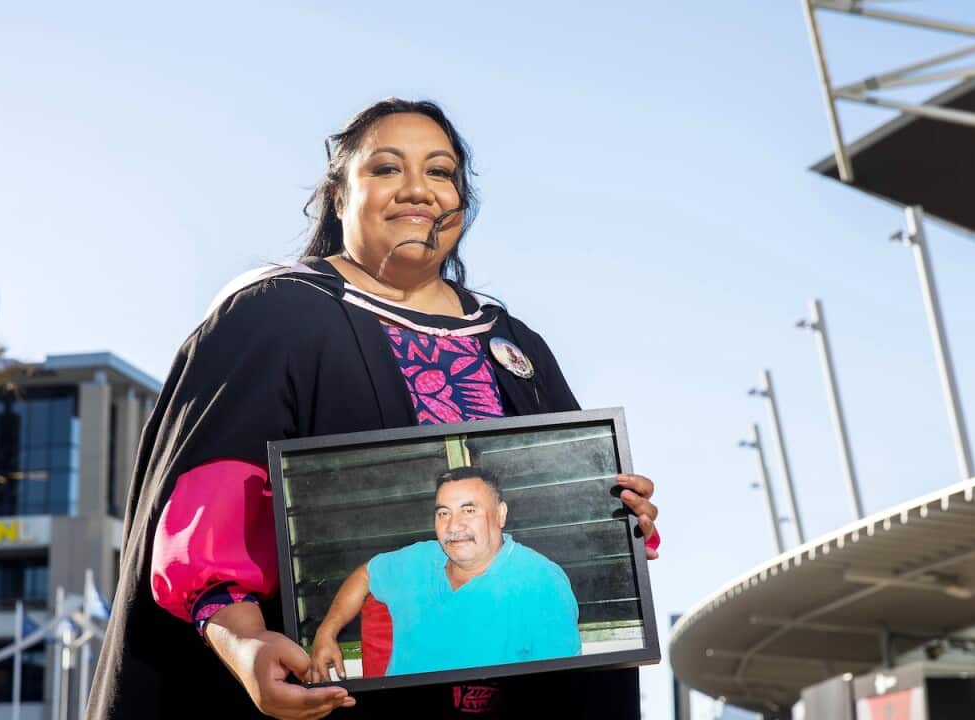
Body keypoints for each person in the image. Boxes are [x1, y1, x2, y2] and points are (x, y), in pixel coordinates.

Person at [87, 98, 660, 720]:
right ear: (339, 197)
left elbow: (577, 501)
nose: (418, 189)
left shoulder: (513, 342)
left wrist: (621, 511)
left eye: (440, 172)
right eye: (387, 168)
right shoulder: (274, 315)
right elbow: (210, 509)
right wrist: (244, 641)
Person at [308, 466, 581, 681]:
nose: (454, 526)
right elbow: (365, 575)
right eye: (443, 514)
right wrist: (326, 632)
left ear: (500, 514)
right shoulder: (419, 560)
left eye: (469, 510)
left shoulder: (542, 582)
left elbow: (561, 684)